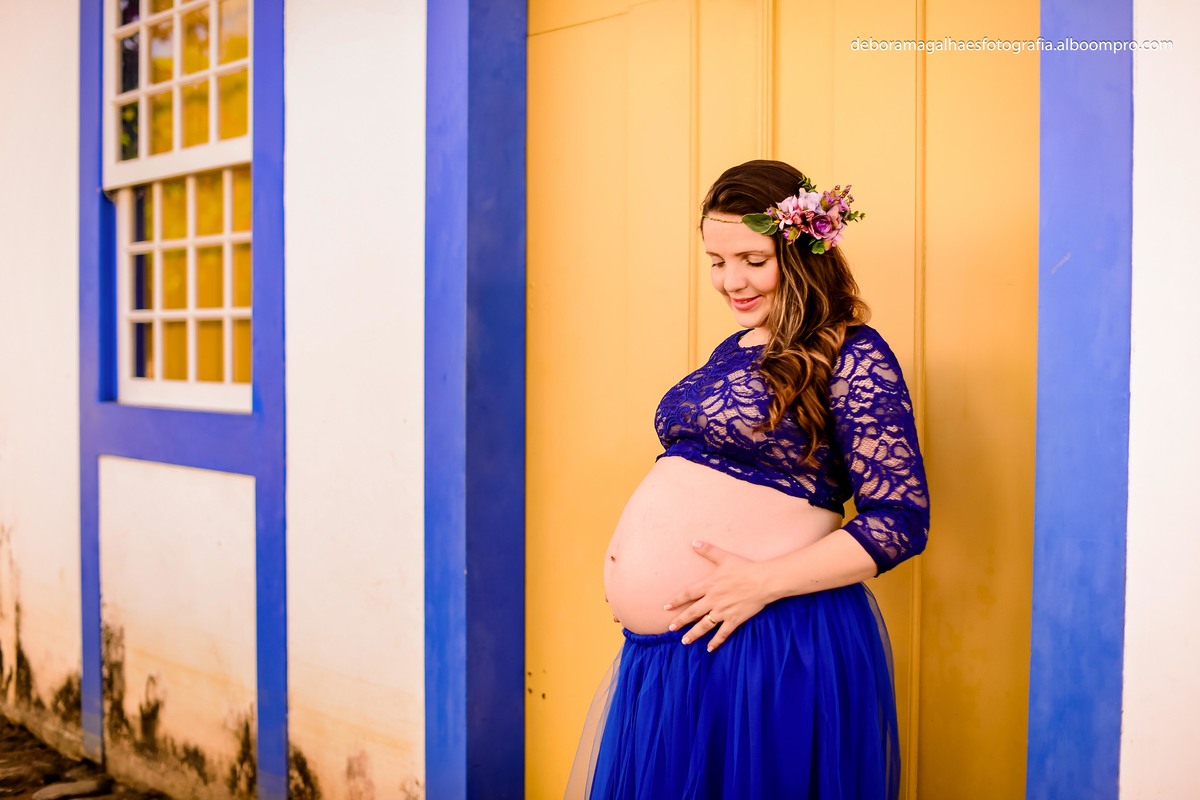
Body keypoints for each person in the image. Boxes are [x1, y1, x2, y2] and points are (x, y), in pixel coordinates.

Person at [567, 159, 931, 799]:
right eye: (716, 261)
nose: (730, 281)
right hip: (675, 654)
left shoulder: (852, 352)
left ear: (804, 252)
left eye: (752, 260)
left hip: (767, 638)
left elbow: (899, 521)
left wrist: (761, 582)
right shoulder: (733, 350)